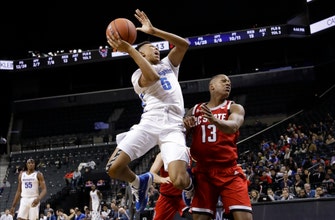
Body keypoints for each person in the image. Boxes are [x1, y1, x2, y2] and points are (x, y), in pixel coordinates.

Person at [105, 9, 193, 213]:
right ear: (141, 54)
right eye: (151, 48)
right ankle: (138, 182)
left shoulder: (169, 65)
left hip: (173, 125)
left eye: (156, 48)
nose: (156, 50)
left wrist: (153, 31)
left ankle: (190, 187)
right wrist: (129, 49)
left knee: (179, 180)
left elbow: (184, 44)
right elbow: (152, 77)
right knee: (113, 168)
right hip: (150, 123)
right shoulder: (137, 76)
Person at [183, 74, 253, 220]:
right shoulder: (195, 110)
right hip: (203, 173)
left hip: (229, 171)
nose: (228, 84)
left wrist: (214, 120)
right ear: (212, 86)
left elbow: (233, 126)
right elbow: (180, 135)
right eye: (224, 81)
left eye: (229, 82)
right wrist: (185, 125)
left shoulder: (234, 107)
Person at [149, 152, 192, 220]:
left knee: (199, 216)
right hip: (166, 197)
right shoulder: (162, 154)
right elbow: (151, 173)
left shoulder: (188, 152)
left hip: (184, 196)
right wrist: (161, 179)